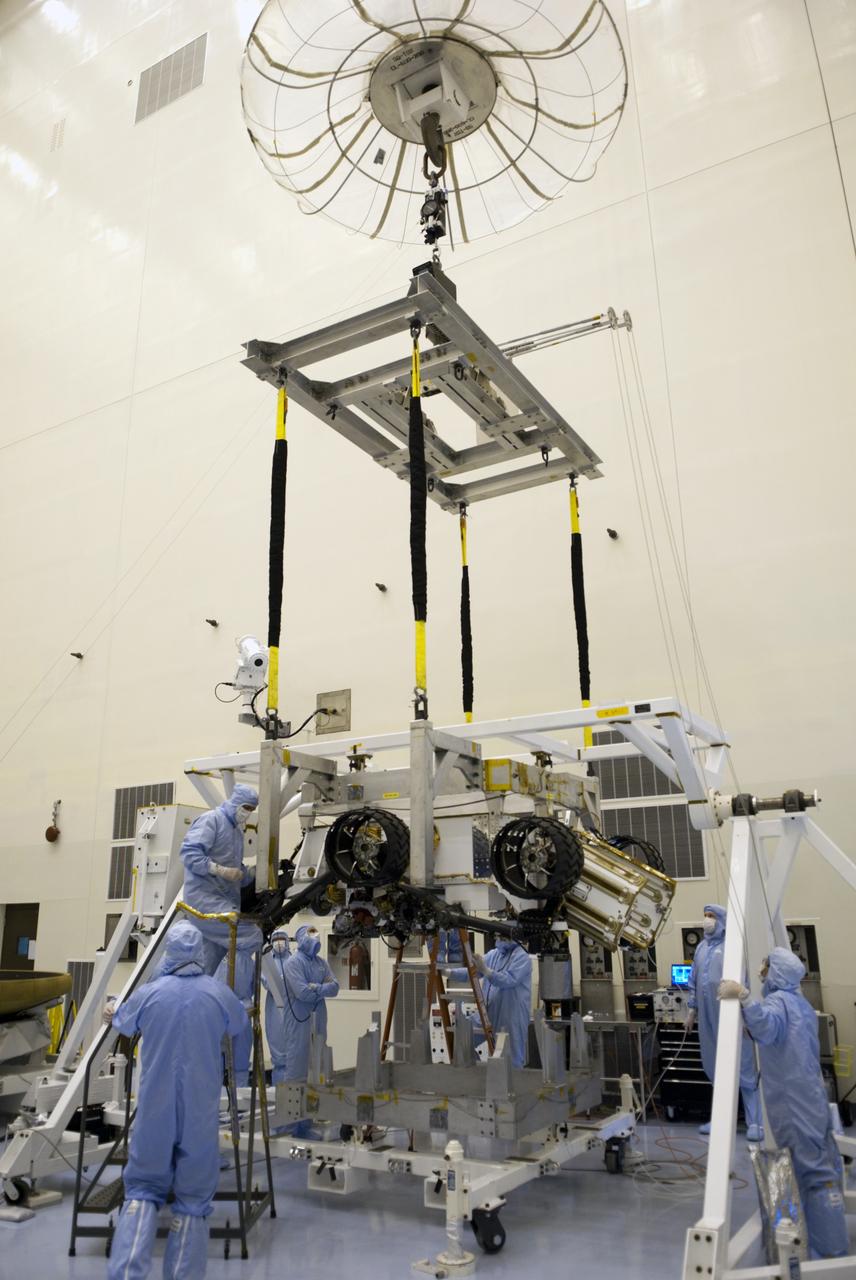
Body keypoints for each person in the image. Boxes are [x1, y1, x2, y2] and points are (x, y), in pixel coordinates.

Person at [105, 921, 249, 1280]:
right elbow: (239, 1022)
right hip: (200, 1109)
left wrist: (110, 1009)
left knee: (142, 1189)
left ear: (168, 951)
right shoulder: (217, 993)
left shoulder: (151, 993)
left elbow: (120, 1019)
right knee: (193, 1200)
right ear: (200, 952)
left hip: (154, 1106)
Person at [719, 948, 849, 1259]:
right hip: (810, 1097)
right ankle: (825, 1241)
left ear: (776, 971)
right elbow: (776, 1034)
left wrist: (745, 997)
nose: (762, 969)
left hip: (793, 1102)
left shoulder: (777, 1003)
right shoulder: (799, 1003)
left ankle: (829, 1250)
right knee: (817, 1164)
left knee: (811, 1172)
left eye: (766, 964)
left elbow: (767, 1027)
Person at [686, 904, 763, 1140]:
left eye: (712, 916)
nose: (707, 920)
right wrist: (691, 1011)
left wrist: (748, 1016)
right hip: (707, 1016)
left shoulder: (732, 947)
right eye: (705, 915)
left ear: (722, 921)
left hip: (732, 1014)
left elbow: (746, 981)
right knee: (714, 1065)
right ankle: (720, 1120)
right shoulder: (701, 948)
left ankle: (755, 1123)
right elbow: (694, 980)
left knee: (744, 1065)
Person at [180, 784, 261, 974]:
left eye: (252, 809)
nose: (248, 813)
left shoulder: (236, 832)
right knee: (251, 936)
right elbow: (189, 854)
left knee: (206, 963)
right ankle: (232, 996)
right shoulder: (212, 820)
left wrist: (252, 873)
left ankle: (204, 998)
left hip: (225, 901)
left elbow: (236, 875)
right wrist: (218, 869)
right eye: (246, 807)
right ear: (235, 802)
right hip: (205, 902)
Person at [452, 937, 532, 1069]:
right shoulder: (494, 954)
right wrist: (448, 973)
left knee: (510, 1061)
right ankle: (474, 1076)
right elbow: (472, 972)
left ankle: (512, 1088)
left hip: (510, 1017)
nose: (499, 937)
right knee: (463, 1042)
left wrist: (487, 971)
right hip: (486, 1014)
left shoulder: (522, 957)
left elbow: (509, 980)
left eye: (504, 934)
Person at [282, 924, 339, 1095]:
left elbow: (335, 988)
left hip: (319, 1020)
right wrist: (322, 989)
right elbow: (302, 993)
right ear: (301, 938)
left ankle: (316, 1114)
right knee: (298, 1067)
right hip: (299, 1021)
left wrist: (315, 987)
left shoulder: (321, 963)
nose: (315, 940)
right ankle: (293, 1119)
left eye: (316, 936)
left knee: (319, 1065)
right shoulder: (293, 963)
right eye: (310, 936)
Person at [213, 949, 256, 1088]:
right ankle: (237, 1103)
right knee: (239, 1064)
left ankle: (221, 1103)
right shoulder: (248, 961)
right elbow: (253, 988)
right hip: (241, 1011)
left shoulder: (217, 957)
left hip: (220, 1010)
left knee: (218, 1062)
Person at [261, 927, 290, 1084]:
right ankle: (278, 1089)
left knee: (293, 1052)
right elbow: (267, 983)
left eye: (282, 939)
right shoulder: (267, 961)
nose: (279, 943)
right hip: (274, 1010)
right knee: (278, 1052)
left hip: (292, 1009)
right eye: (276, 939)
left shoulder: (294, 960)